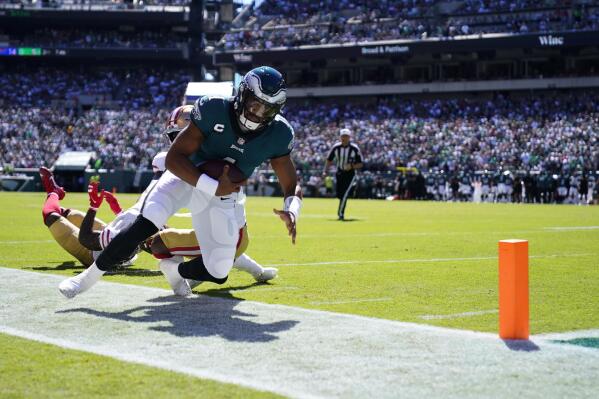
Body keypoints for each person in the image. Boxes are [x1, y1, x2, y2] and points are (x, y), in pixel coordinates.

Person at [59, 66, 300, 298]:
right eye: (254, 104)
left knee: (219, 270)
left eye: (266, 110)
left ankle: (174, 270)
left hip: (223, 194)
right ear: (242, 94)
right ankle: (85, 279)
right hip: (187, 175)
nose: (257, 113)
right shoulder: (214, 108)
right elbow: (174, 158)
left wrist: (292, 208)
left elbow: (291, 184)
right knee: (147, 222)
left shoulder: (279, 134)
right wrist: (212, 185)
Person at [322, 128, 363, 220]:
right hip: (339, 173)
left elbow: (361, 163)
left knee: (344, 194)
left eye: (346, 136)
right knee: (340, 195)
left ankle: (341, 214)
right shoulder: (336, 147)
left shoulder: (354, 148)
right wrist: (325, 171)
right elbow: (329, 160)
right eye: (343, 136)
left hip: (350, 174)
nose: (344, 138)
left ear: (349, 137)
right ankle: (343, 205)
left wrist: (351, 166)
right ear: (340, 137)